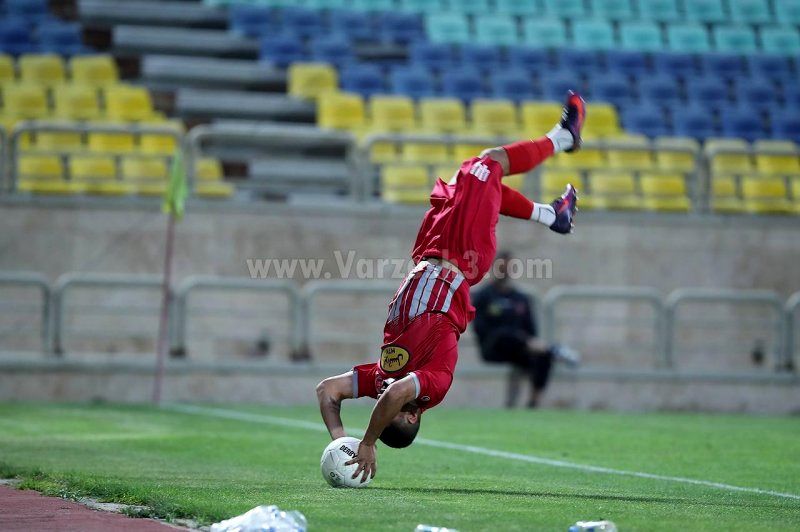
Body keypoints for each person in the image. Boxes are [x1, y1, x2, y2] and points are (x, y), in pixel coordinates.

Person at [315, 91, 586, 483]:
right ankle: (563, 138)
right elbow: (393, 397)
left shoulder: (383, 378)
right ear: (411, 415)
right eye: (392, 407)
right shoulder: (433, 384)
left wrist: (340, 440)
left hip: (430, 250)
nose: (382, 394)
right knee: (489, 163)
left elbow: (327, 390)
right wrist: (368, 442)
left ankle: (553, 215)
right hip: (461, 255)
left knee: (470, 183)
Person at [472, 251, 580, 409]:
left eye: (508, 266)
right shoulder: (483, 296)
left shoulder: (521, 298)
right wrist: (519, 338)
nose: (504, 270)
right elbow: (481, 329)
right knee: (505, 334)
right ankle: (554, 349)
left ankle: (533, 403)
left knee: (543, 355)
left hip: (520, 349)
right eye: (501, 266)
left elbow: (531, 331)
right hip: (494, 348)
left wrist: (525, 341)